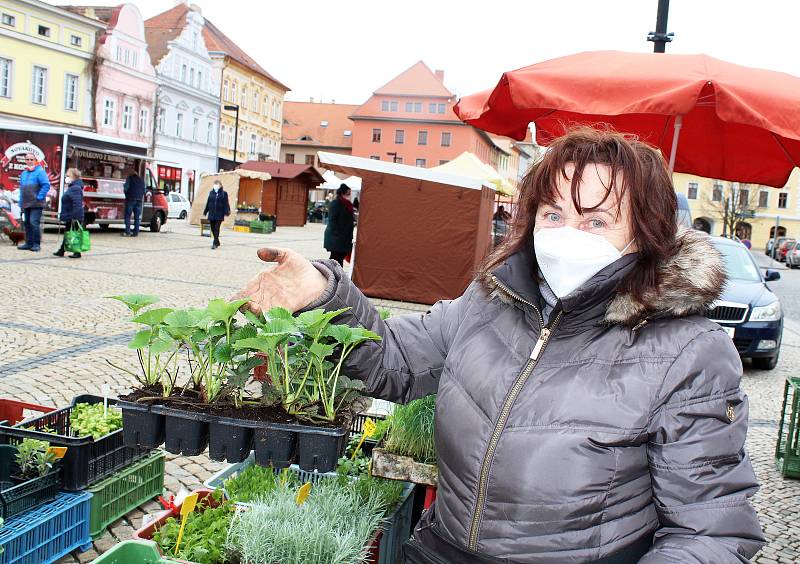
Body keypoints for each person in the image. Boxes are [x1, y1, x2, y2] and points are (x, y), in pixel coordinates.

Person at [233, 127, 763, 563]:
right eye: (553, 214)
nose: (565, 232)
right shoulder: (489, 303)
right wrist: (324, 295)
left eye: (596, 220)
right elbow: (390, 363)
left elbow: (710, 532)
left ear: (644, 235)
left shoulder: (687, 353)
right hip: (441, 550)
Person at [17, 153, 50, 252]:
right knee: (27, 223)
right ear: (25, 160)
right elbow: (22, 188)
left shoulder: (40, 172)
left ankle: (36, 244)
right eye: (27, 159)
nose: (29, 161)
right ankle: (28, 243)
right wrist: (20, 202)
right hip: (26, 203)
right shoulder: (24, 173)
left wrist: (39, 197)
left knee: (33, 222)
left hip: (36, 203)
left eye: (31, 159)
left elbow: (46, 185)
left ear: (35, 160)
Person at [54, 168, 85, 259]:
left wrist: (75, 216)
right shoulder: (73, 187)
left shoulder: (75, 188)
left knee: (74, 234)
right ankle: (62, 250)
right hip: (71, 214)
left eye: (68, 176)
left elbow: (77, 203)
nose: (66, 178)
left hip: (74, 215)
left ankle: (77, 252)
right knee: (68, 233)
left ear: (74, 177)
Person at [323, 184, 354, 266]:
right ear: (343, 192)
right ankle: (332, 274)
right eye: (348, 193)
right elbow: (332, 220)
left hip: (344, 238)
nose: (350, 195)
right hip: (336, 238)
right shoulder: (336, 203)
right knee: (336, 258)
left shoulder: (347, 204)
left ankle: (335, 275)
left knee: (338, 258)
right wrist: (339, 234)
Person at [203, 180, 230, 249]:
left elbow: (226, 203)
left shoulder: (224, 193)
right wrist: (205, 211)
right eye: (215, 184)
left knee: (216, 228)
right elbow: (208, 202)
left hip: (219, 214)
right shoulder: (211, 193)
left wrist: (227, 211)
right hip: (211, 213)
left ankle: (214, 243)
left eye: (217, 184)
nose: (215, 185)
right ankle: (217, 241)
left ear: (220, 185)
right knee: (212, 228)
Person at [123, 164, 145, 237]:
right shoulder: (141, 180)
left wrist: (126, 195)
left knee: (127, 216)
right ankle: (136, 232)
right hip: (139, 200)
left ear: (131, 173)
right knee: (136, 217)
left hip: (131, 199)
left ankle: (128, 232)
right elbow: (144, 191)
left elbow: (125, 188)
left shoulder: (130, 178)